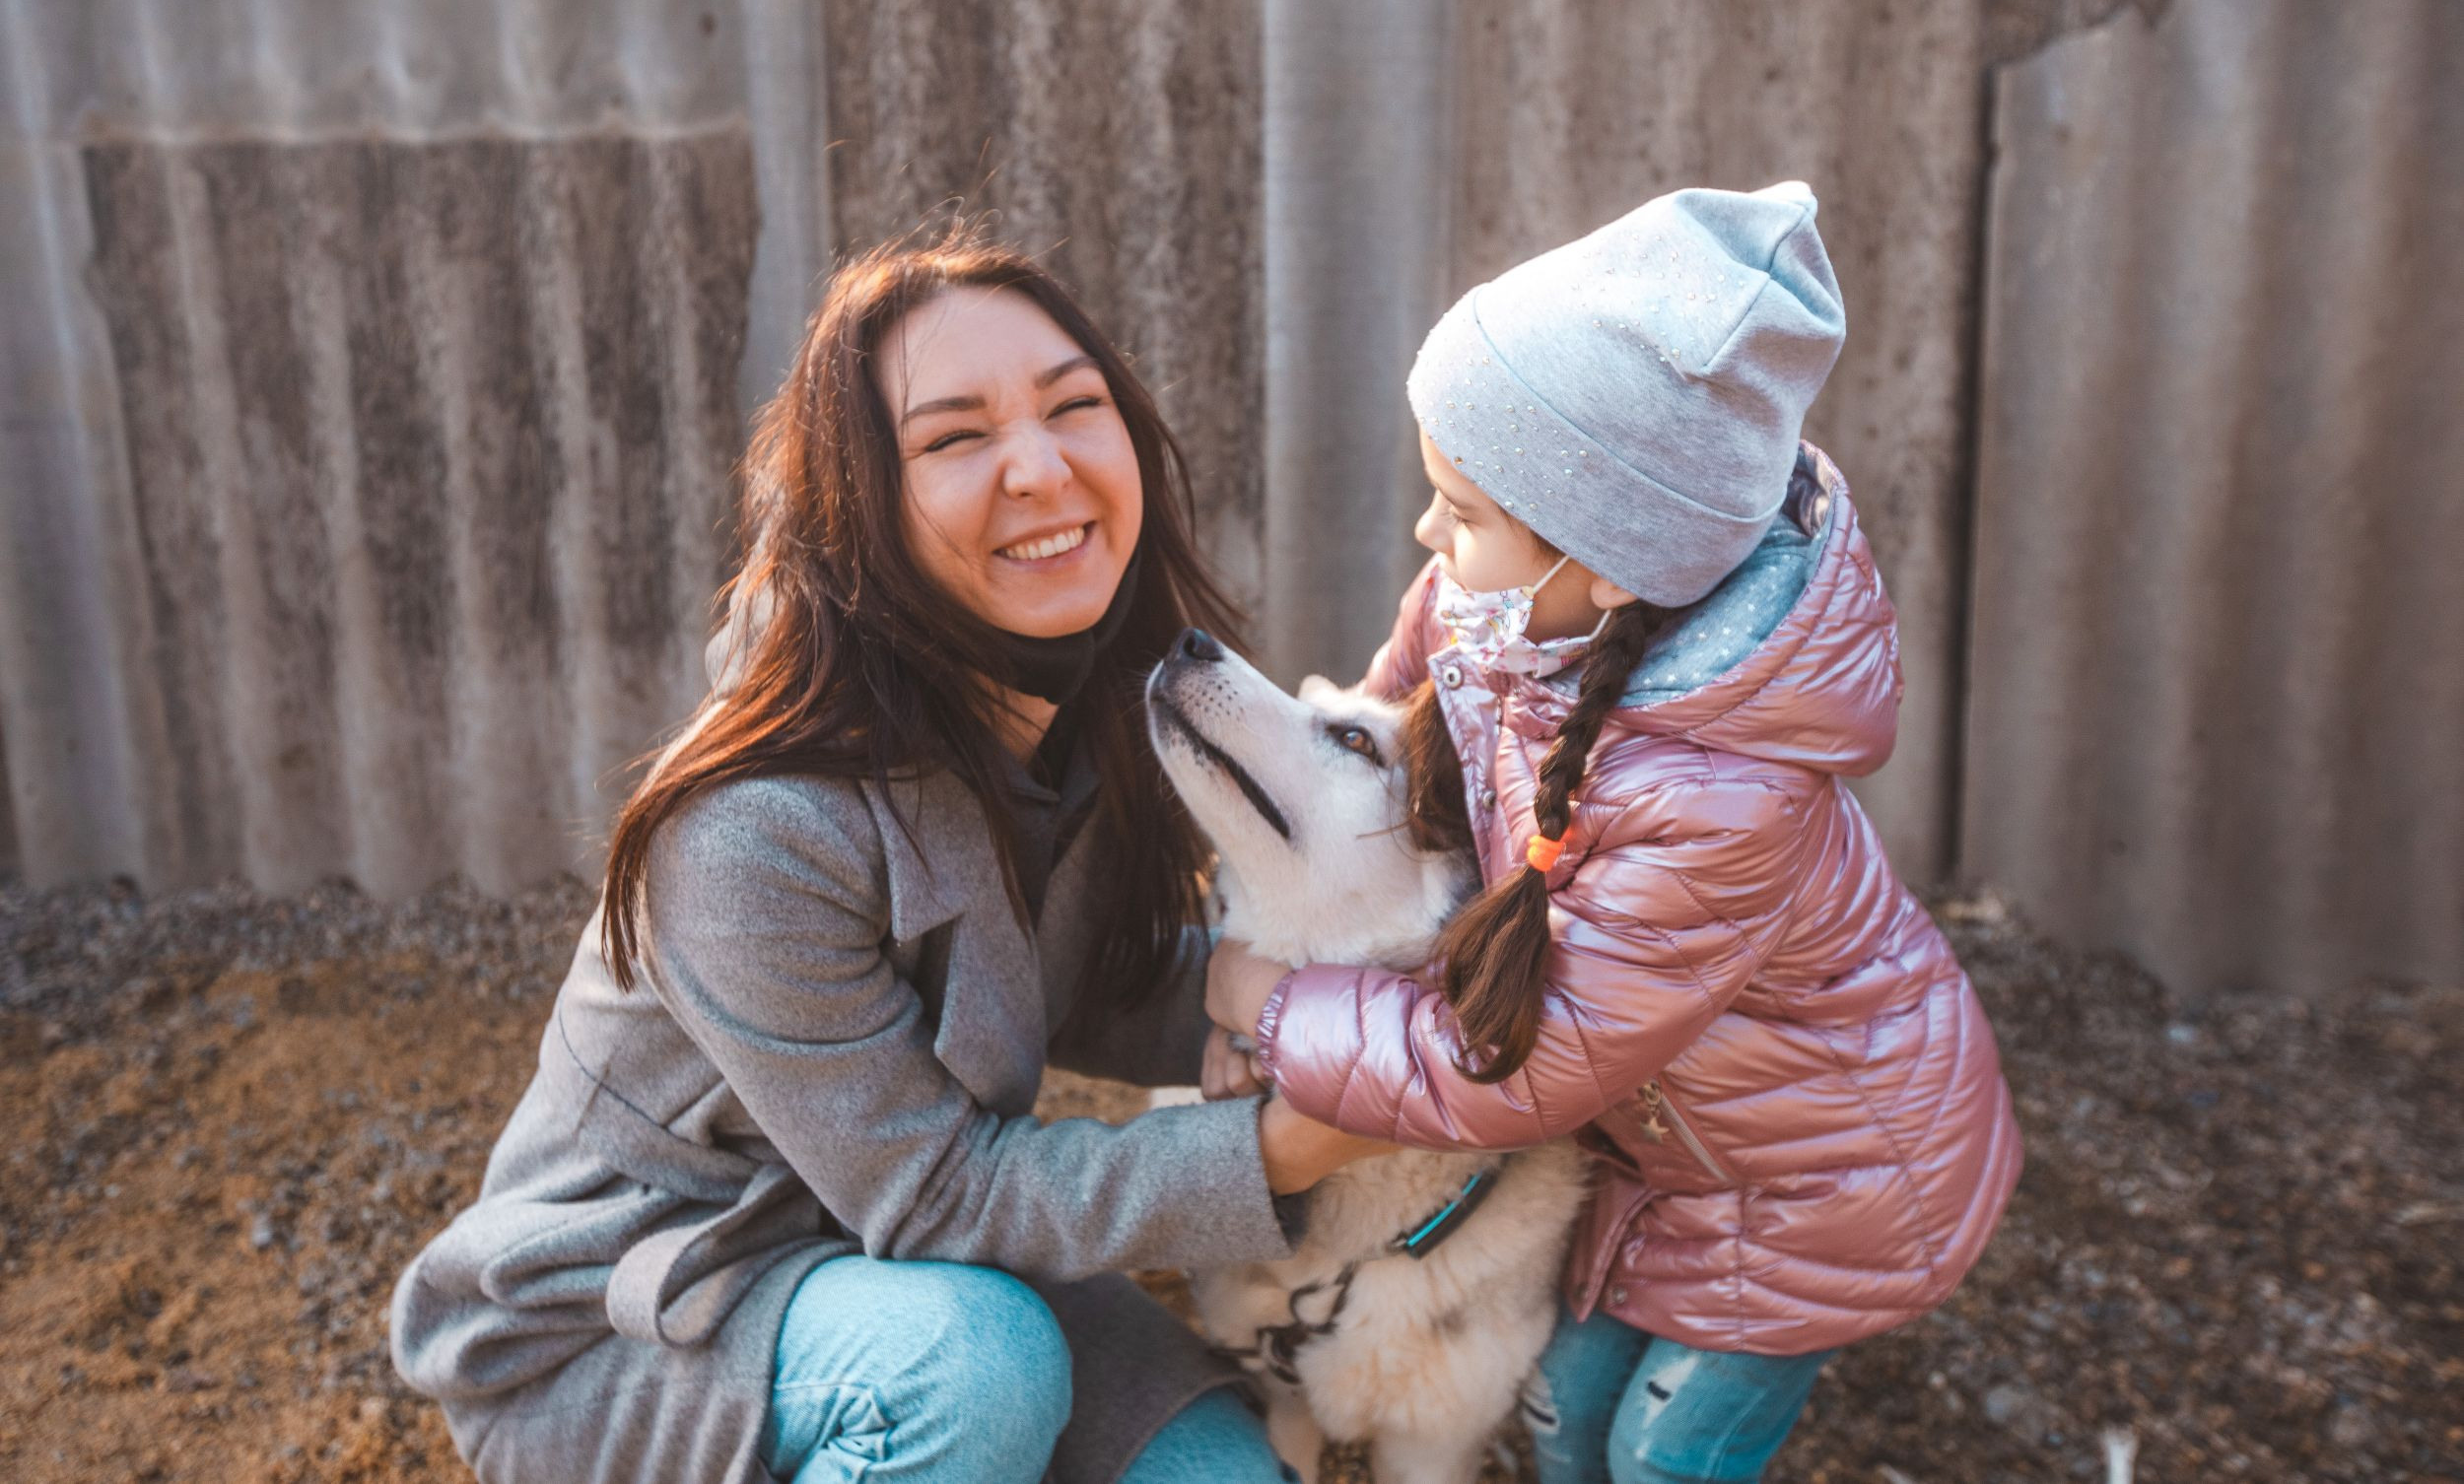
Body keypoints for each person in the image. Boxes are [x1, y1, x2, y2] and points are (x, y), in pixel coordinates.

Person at [388, 230, 1385, 1484]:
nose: (1041, 466)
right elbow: (935, 1192)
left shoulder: (1077, 698)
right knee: (972, 1375)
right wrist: (1283, 1148)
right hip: (643, 1313)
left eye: (1074, 405)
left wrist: (1246, 995)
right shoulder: (754, 825)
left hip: (910, 1273)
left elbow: (1049, 978)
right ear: (860, 506)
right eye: (955, 437)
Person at [1205, 182, 2024, 1484]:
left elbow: (1518, 1072)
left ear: (1610, 561)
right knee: (1561, 1414)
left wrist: (1268, 1002)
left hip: (1828, 1183)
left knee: (1661, 1453)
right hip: (1677, 1147)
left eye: (1461, 510)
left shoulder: (1715, 802)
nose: (1427, 532)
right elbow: (1393, 718)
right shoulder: (1502, 603)